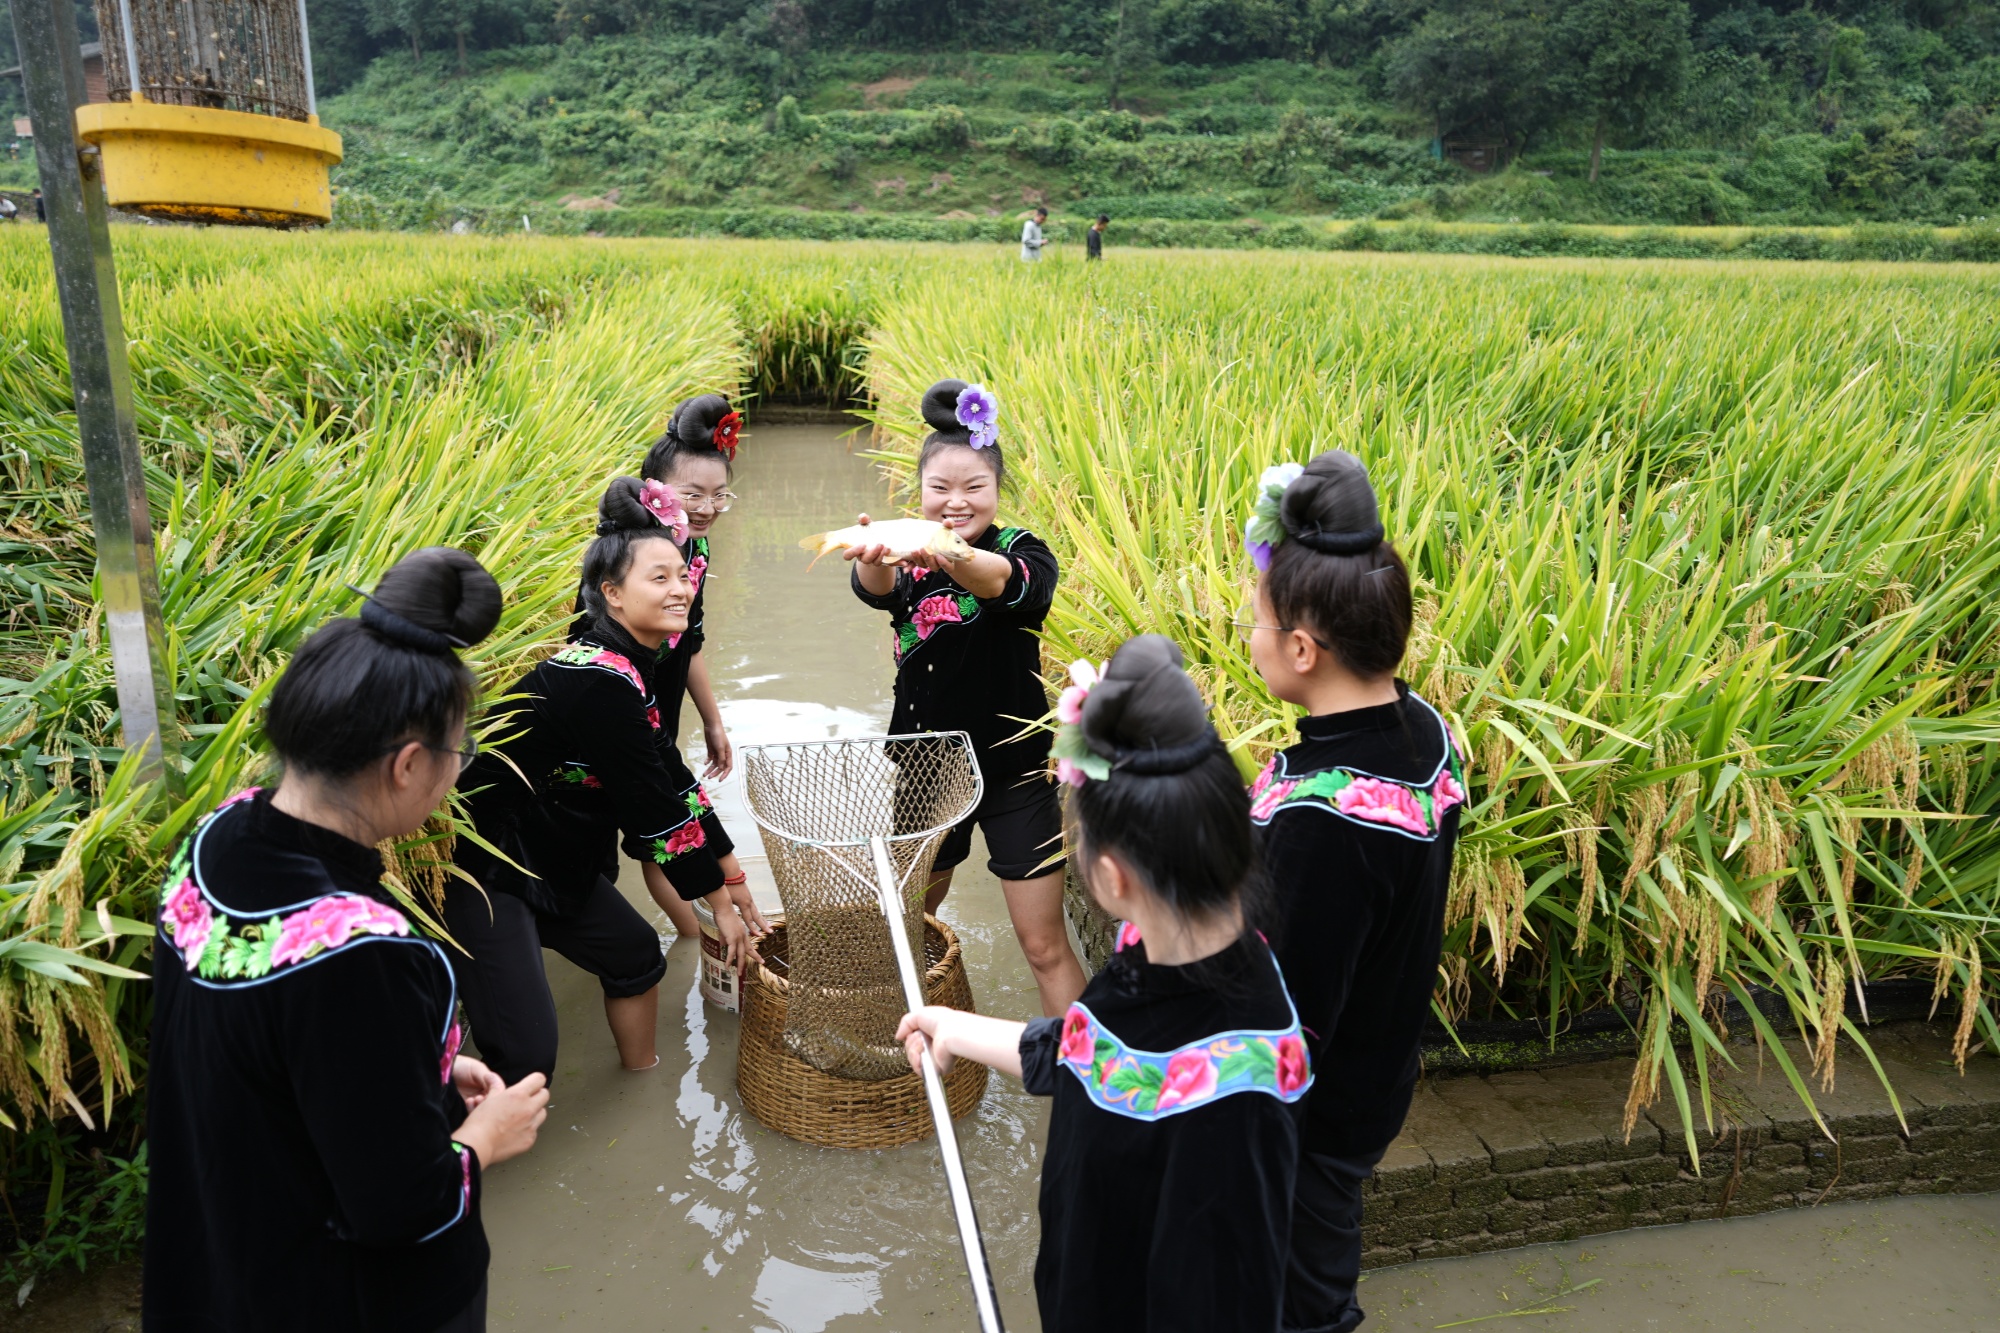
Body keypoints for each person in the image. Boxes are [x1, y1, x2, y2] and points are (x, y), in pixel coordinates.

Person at [145, 547, 551, 1332]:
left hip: (221, 1251)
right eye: (456, 754)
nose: (455, 774)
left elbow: (270, 1049)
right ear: (407, 764)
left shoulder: (214, 843)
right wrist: (482, 1138)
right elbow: (403, 1208)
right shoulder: (368, 952)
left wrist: (422, 1063)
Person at [897, 634, 1313, 1332]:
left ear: (1113, 876)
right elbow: (1098, 1057)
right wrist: (958, 1029)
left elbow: (1215, 1299)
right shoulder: (1197, 963)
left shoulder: (1232, 1097)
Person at [1237, 451, 1466, 1333]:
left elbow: (1281, 1026)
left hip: (1314, 1119)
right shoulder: (1424, 730)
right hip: (1376, 1073)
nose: (1250, 635)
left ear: (1302, 646)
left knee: (1301, 1296)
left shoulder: (1322, 820)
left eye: (1255, 619)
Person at [449, 477, 752, 1085]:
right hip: (489, 868)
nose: (680, 590)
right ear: (612, 594)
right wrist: (720, 903)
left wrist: (732, 872)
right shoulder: (597, 681)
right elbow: (652, 809)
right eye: (658, 578)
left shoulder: (622, 667)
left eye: (683, 576)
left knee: (637, 956)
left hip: (551, 857)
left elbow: (671, 774)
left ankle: (643, 1084)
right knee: (529, 1057)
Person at [846, 378, 1084, 1015]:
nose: (955, 502)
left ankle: (1093, 1075)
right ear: (917, 492)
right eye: (939, 490)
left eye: (973, 488)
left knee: (1043, 945)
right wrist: (875, 550)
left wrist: (945, 553)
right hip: (927, 765)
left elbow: (1000, 581)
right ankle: (899, 1029)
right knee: (909, 923)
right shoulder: (906, 548)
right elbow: (873, 588)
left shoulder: (1021, 550)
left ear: (997, 491)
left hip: (1017, 770)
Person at [632, 393, 768, 945]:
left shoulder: (695, 550)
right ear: (656, 492)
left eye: (719, 495)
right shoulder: (633, 553)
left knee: (651, 833)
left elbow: (688, 638)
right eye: (692, 495)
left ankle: (694, 940)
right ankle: (700, 937)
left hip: (660, 706)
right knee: (665, 819)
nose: (707, 507)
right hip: (623, 702)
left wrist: (712, 720)